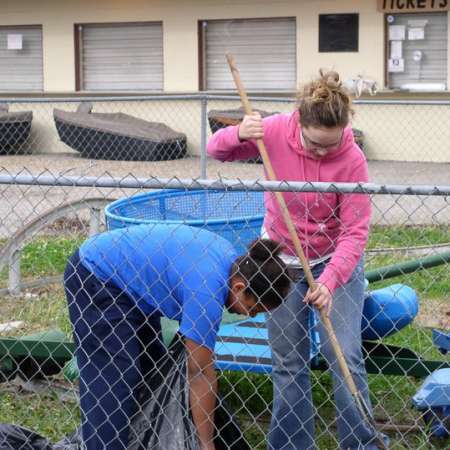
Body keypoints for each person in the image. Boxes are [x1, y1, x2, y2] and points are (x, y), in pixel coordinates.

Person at [208, 71, 388, 449]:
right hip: (281, 264)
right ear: (299, 123)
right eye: (314, 144)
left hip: (334, 261)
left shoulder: (352, 159)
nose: (323, 152)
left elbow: (355, 233)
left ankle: (360, 444)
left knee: (345, 357)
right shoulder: (273, 132)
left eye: (331, 144)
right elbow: (216, 151)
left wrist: (330, 280)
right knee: (289, 363)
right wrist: (240, 132)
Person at [64, 223, 290, 450]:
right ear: (240, 287)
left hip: (132, 288)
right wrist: (206, 443)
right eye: (254, 308)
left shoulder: (231, 262)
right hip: (95, 275)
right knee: (115, 379)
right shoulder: (207, 290)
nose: (250, 316)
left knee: (150, 370)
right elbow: (199, 371)